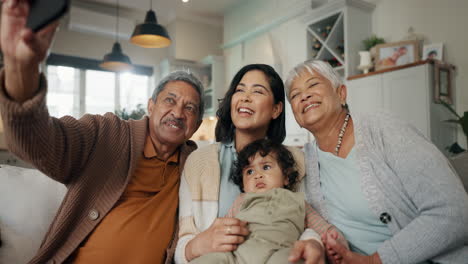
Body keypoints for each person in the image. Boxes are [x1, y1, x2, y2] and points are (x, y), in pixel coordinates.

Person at [0, 1, 204, 263]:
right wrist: (21, 68)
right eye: (170, 100)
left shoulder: (196, 167)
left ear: (196, 124)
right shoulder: (105, 134)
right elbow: (38, 144)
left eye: (190, 108)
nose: (177, 113)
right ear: (151, 106)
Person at [285, 59, 468, 264]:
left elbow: (454, 212)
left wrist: (375, 260)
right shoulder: (303, 161)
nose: (304, 96)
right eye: (294, 95)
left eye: (313, 85)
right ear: (294, 114)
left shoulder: (383, 130)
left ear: (341, 93)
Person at [175, 64, 325, 264]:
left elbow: (306, 221)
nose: (245, 97)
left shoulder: (295, 160)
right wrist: (199, 244)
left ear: (276, 109)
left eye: (257, 91)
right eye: (239, 90)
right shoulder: (199, 162)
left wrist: (313, 243)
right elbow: (182, 246)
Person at [190, 139, 346, 264]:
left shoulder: (298, 202)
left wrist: (335, 244)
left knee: (294, 259)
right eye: (249, 171)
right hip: (236, 256)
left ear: (286, 177)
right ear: (243, 184)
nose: (257, 175)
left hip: (279, 252)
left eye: (266, 167)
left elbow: (324, 229)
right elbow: (221, 229)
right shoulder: (242, 200)